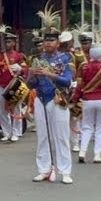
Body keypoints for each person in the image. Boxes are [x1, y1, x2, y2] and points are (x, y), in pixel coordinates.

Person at [29, 28, 74, 183]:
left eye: (51, 40)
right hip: (41, 98)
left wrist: (49, 74)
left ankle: (65, 171)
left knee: (61, 136)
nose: (48, 43)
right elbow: (30, 84)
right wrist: (33, 74)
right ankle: (44, 169)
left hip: (58, 98)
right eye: (46, 40)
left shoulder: (65, 58)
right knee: (42, 136)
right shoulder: (36, 59)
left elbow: (67, 81)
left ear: (58, 42)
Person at [0, 28, 26, 142]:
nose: (7, 44)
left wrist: (20, 69)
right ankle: (7, 132)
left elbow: (26, 69)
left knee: (16, 108)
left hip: (15, 84)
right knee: (3, 109)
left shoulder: (19, 56)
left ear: (14, 42)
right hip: (2, 84)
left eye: (10, 41)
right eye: (6, 42)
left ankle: (16, 132)